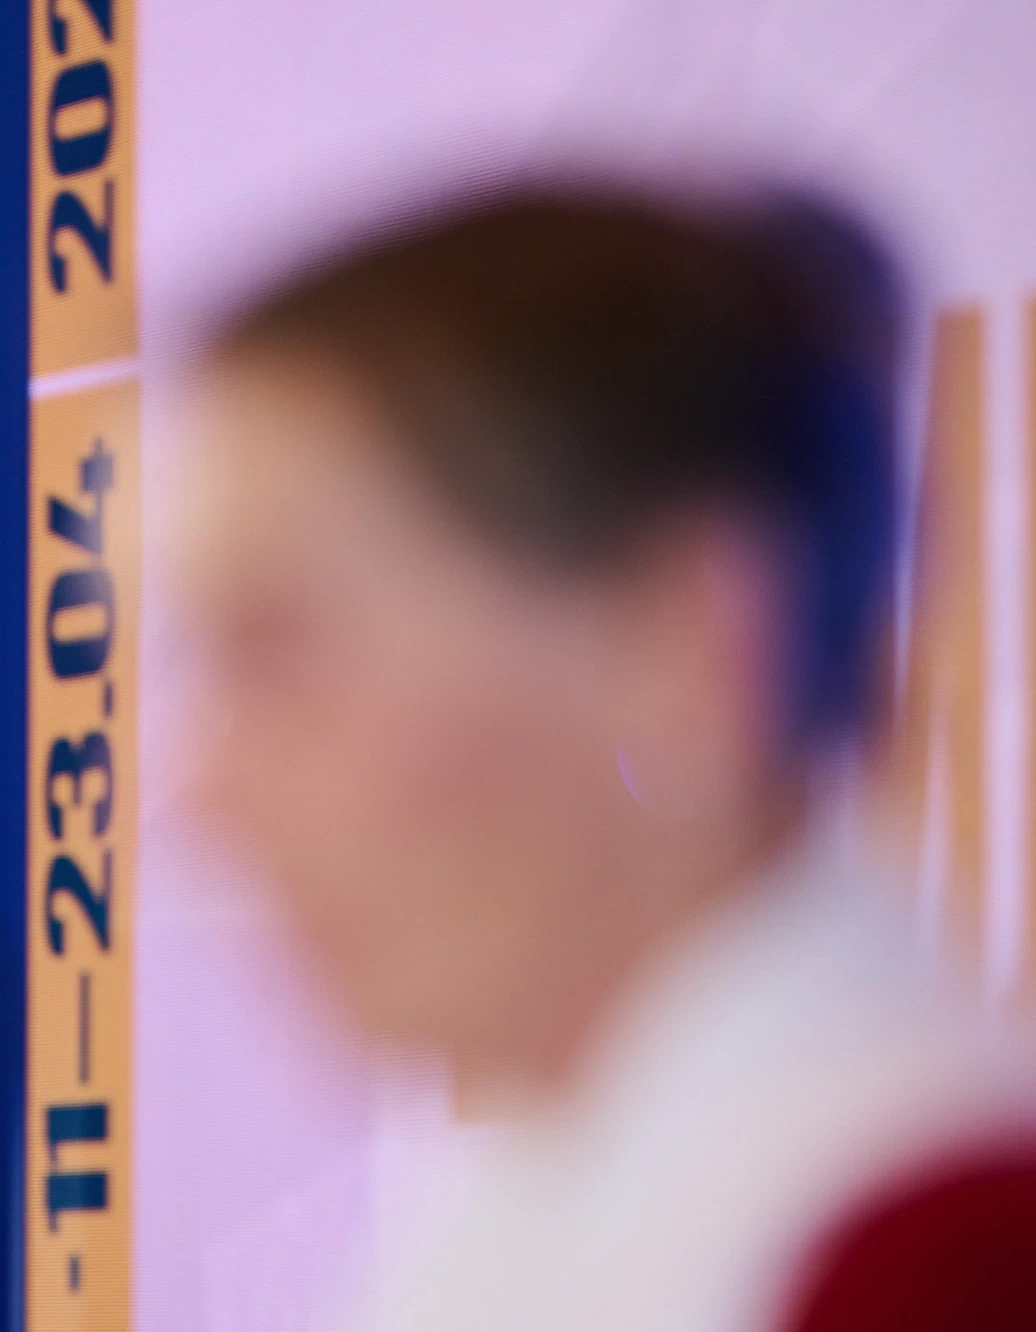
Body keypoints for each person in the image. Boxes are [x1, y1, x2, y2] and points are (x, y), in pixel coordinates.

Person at [173, 185, 1036, 1331]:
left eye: (281, 649)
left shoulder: (927, 1266)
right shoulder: (537, 1217)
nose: (202, 794)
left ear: (684, 645)